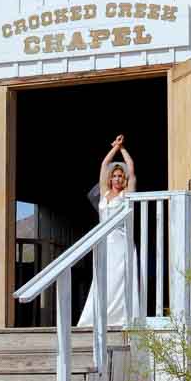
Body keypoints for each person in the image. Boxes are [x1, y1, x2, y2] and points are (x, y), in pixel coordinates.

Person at [77, 134, 140, 327]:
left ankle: (122, 318)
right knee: (103, 279)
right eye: (115, 175)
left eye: (120, 176)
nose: (117, 178)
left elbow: (131, 168)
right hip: (104, 242)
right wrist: (114, 147)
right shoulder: (104, 192)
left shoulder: (126, 194)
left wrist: (123, 149)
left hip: (122, 242)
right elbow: (104, 165)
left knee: (120, 280)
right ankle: (98, 316)